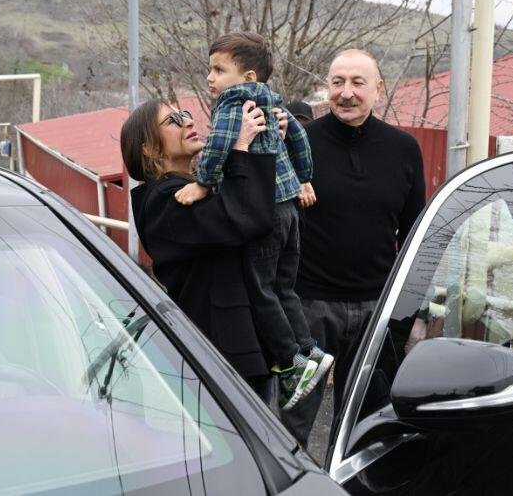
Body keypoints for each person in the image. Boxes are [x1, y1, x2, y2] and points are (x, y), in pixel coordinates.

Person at [174, 32, 330, 410]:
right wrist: (304, 177)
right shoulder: (274, 101)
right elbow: (301, 141)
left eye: (219, 70)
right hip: (290, 207)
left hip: (267, 210)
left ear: (247, 77)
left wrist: (202, 182)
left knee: (260, 289)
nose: (210, 78)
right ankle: (310, 350)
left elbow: (218, 146)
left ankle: (292, 364)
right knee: (284, 287)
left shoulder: (233, 104)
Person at [282, 49, 426, 445]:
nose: (346, 93)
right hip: (305, 309)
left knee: (363, 427)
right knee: (289, 422)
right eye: (337, 82)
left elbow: (415, 236)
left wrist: (415, 311)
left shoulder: (403, 149)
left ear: (378, 89)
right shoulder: (299, 144)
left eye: (357, 83)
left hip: (376, 311)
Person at [122, 98, 278, 402]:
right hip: (223, 359)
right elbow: (249, 219)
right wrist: (242, 147)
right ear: (149, 149)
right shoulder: (164, 202)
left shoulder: (189, 190)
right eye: (172, 121)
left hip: (236, 353)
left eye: (185, 115)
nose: (189, 122)